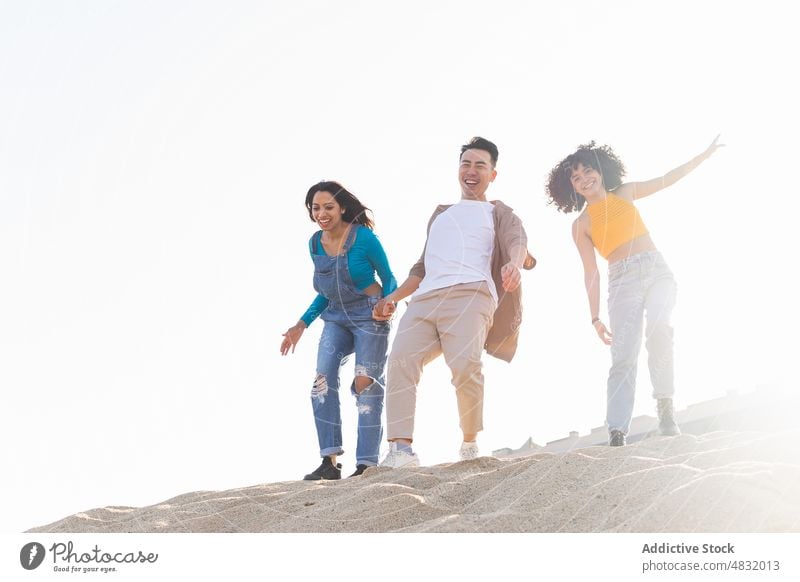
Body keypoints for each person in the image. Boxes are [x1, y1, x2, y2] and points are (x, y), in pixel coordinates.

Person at [545, 136, 724, 446]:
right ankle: (617, 430)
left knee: (659, 329)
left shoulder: (625, 193)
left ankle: (665, 409)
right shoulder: (581, 225)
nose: (584, 179)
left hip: (657, 271)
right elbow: (591, 272)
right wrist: (594, 318)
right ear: (572, 187)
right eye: (576, 177)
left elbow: (668, 179)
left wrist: (703, 156)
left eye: (588, 171)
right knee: (623, 356)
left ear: (600, 171)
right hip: (621, 281)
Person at [374, 137, 535, 468]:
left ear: (493, 174)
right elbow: (420, 268)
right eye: (466, 164)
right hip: (424, 300)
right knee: (401, 360)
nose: (471, 171)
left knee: (466, 368)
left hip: (471, 294)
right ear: (458, 169)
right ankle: (401, 450)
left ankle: (469, 439)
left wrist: (513, 265)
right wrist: (392, 297)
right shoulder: (441, 215)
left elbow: (517, 242)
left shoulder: (498, 212)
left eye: (480, 165)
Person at [280, 181, 397, 479]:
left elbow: (389, 278)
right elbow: (327, 291)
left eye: (328, 207)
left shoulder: (364, 239)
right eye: (316, 208)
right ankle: (329, 462)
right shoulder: (315, 244)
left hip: (370, 315)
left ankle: (367, 464)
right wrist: (301, 324)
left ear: (342, 208)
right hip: (335, 319)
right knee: (322, 380)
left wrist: (388, 303)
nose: (322, 213)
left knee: (365, 383)